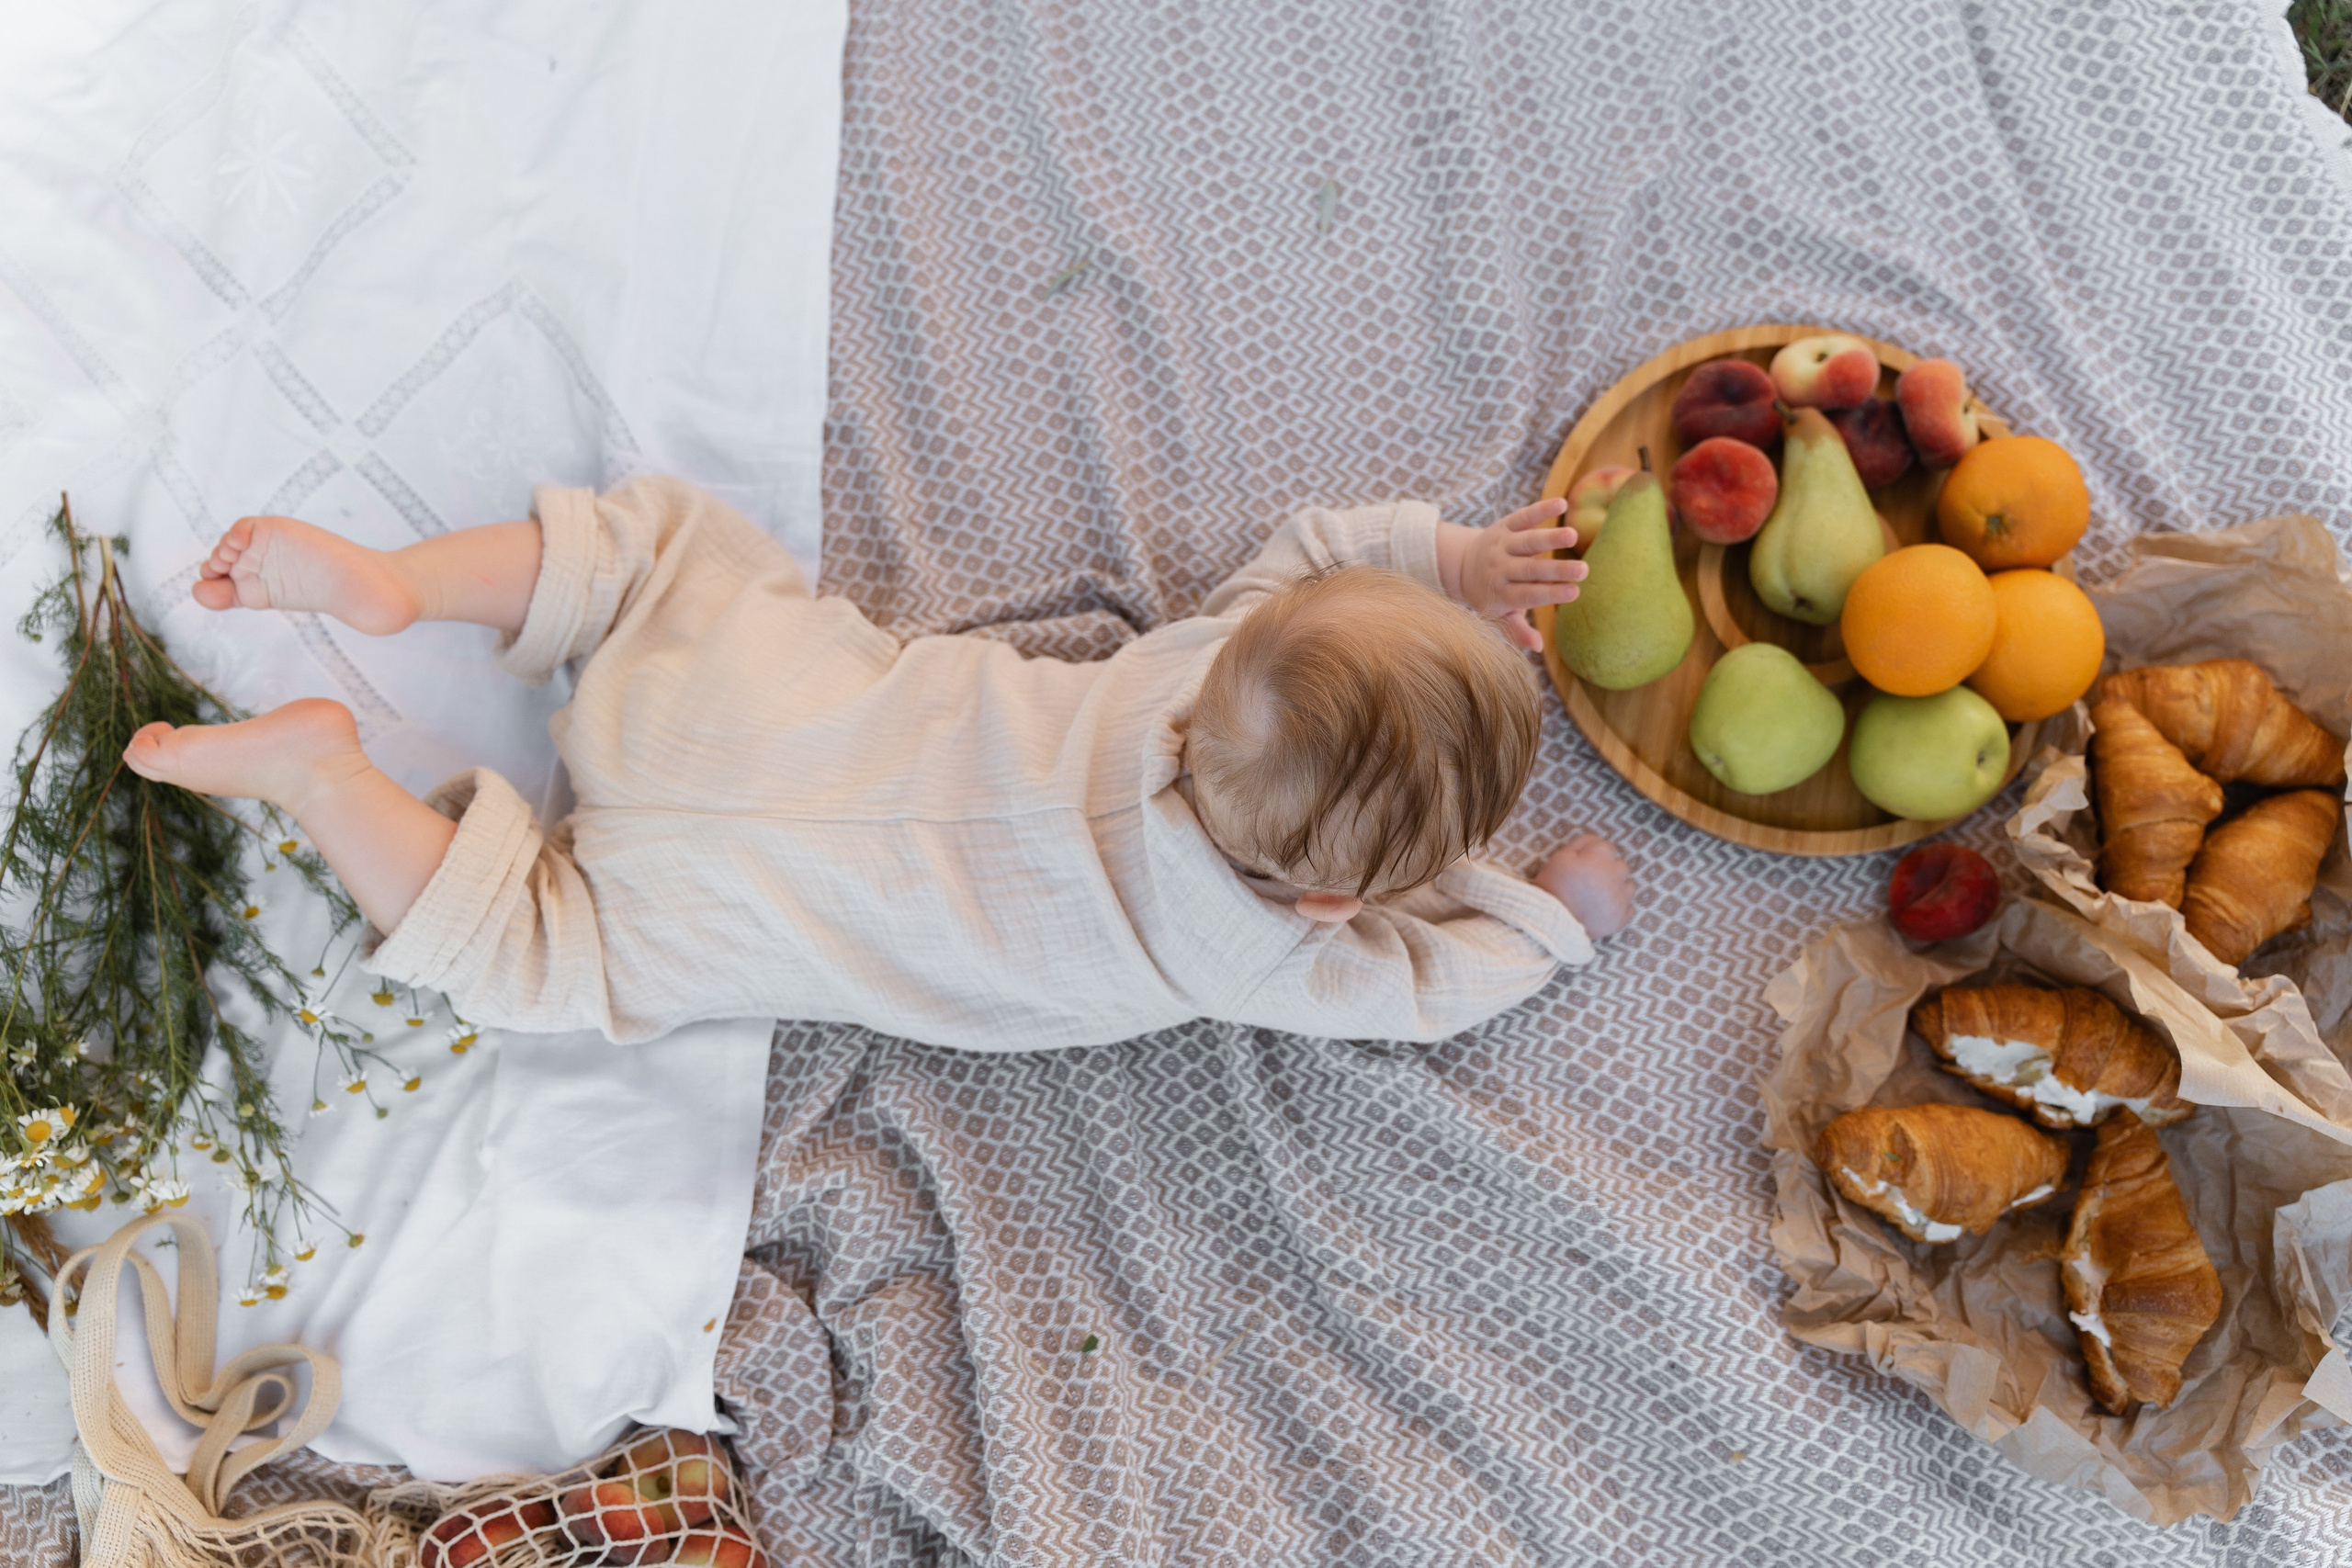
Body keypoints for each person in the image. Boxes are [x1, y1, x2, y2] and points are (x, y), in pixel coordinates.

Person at [124, 479, 1634, 1051]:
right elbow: (1423, 992)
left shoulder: (1192, 673)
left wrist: (1448, 559)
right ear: (1330, 903)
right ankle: (326, 779)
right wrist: (1551, 919)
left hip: (741, 711)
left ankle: (402, 588)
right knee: (528, 957)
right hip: (708, 910)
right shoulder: (1270, 954)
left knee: (660, 564)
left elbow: (1307, 557)